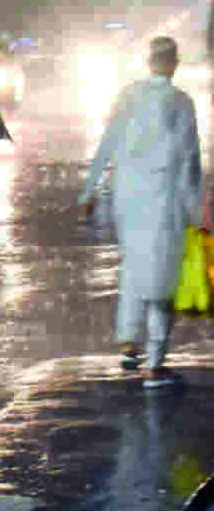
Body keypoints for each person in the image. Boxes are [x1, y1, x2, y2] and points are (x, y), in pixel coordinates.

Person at [79, 36, 201, 389]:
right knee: (162, 277)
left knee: (134, 265)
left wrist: (90, 188)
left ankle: (129, 341)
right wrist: (197, 208)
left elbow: (108, 142)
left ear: (149, 63)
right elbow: (188, 159)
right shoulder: (180, 102)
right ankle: (155, 364)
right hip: (163, 199)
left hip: (128, 200)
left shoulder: (129, 95)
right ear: (173, 63)